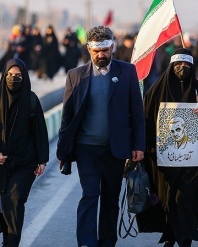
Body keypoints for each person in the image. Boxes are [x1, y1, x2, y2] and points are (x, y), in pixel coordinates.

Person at [56, 26, 145, 247]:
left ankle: (106, 241)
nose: (101, 55)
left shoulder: (127, 72)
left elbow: (137, 112)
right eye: (96, 50)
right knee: (90, 194)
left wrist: (138, 145)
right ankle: (87, 242)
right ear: (88, 49)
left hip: (114, 149)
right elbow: (67, 118)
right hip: (86, 148)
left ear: (111, 47)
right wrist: (63, 152)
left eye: (105, 49)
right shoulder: (75, 76)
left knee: (110, 198)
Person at [137, 48, 198, 247]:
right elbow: (144, 121)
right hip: (162, 160)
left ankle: (185, 239)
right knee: (168, 199)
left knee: (187, 200)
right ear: (171, 65)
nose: (183, 68)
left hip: (191, 159)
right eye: (179, 64)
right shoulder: (155, 91)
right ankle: (171, 237)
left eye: (187, 65)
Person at [0, 58, 49, 247]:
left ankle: (11, 242)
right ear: (4, 75)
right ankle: (6, 235)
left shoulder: (31, 100)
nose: (13, 79)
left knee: (14, 200)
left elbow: (39, 131)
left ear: (24, 77)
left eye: (18, 76)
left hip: (24, 162)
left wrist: (42, 160)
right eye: (10, 75)